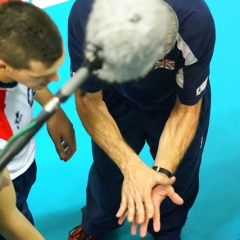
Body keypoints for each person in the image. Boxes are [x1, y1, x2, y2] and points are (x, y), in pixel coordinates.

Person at [67, 0, 216, 239]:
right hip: (115, 95)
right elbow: (89, 101)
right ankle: (98, 224)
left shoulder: (194, 21)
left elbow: (185, 111)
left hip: (174, 98)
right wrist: (131, 166)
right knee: (108, 170)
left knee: (177, 176)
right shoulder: (86, 18)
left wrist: (161, 172)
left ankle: (166, 231)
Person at [0, 1, 76, 239]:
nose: (55, 79)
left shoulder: (10, 13)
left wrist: (53, 109)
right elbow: (9, 219)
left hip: (21, 164)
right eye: (42, 77)